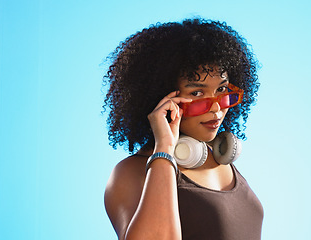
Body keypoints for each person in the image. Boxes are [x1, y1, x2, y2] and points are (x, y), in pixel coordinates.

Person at [103, 18, 263, 240]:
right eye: (197, 93)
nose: (216, 108)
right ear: (163, 98)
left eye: (222, 90)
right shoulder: (132, 173)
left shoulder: (219, 158)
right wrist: (165, 149)